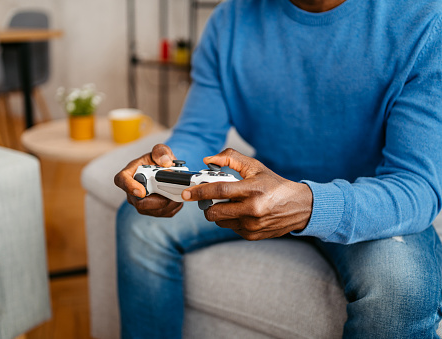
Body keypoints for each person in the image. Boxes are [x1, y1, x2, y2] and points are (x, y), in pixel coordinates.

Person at [114, 0, 442, 337]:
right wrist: (165, 167)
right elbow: (198, 133)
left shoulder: (424, 21)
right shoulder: (230, 19)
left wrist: (309, 205)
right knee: (138, 224)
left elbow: (417, 184)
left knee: (402, 289)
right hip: (264, 186)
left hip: (369, 201)